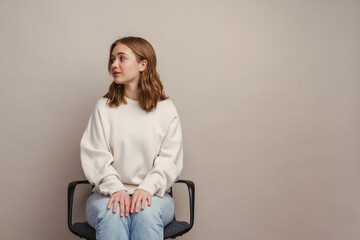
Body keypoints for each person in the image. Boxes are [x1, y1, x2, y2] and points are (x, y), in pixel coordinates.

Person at [80, 36, 184, 240]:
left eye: (121, 58)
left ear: (142, 64)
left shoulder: (166, 110)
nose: (114, 65)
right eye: (112, 59)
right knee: (114, 212)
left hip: (154, 196)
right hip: (106, 195)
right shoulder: (104, 107)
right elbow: (96, 156)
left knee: (145, 212)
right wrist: (116, 190)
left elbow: (169, 161)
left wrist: (146, 189)